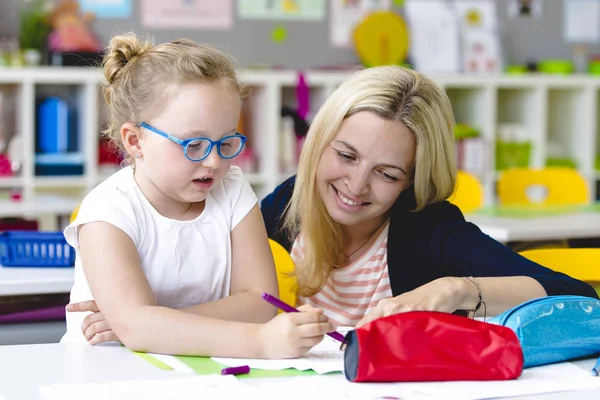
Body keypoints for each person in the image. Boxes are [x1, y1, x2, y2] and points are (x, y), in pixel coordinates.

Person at [68, 65, 598, 345]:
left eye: (388, 174)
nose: (356, 186)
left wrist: (458, 290)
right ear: (318, 141)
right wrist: (146, 321)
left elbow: (574, 296)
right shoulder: (286, 205)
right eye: (344, 155)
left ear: (413, 179)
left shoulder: (428, 229)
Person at [61, 33, 335, 359]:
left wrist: (149, 324)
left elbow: (260, 303)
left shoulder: (231, 188)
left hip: (200, 368)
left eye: (226, 143)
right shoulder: (107, 210)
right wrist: (260, 342)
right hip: (108, 373)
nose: (215, 162)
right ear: (135, 141)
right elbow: (136, 328)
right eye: (194, 145)